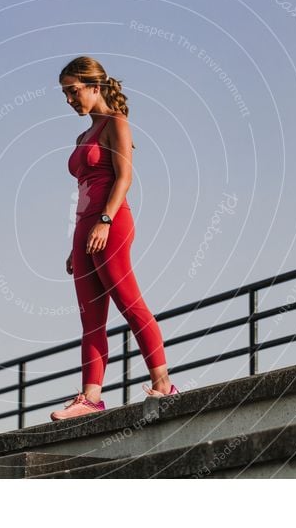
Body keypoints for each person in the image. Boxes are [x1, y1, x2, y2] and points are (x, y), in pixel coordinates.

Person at [50, 56, 178, 421]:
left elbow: (124, 178)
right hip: (84, 228)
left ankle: (163, 383)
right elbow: (83, 188)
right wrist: (76, 242)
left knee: (128, 301)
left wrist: (104, 220)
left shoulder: (115, 124)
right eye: (65, 94)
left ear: (94, 86)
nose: (69, 100)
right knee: (90, 318)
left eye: (73, 91)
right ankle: (90, 397)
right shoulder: (82, 136)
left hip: (112, 221)